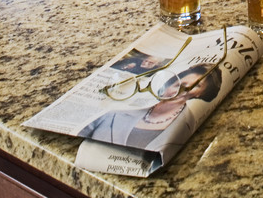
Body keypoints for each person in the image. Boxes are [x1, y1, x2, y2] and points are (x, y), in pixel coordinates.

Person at [79, 62, 224, 152]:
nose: (186, 85)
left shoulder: (189, 124)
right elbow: (83, 128)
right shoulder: (128, 101)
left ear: (200, 94)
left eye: (197, 85)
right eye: (180, 82)